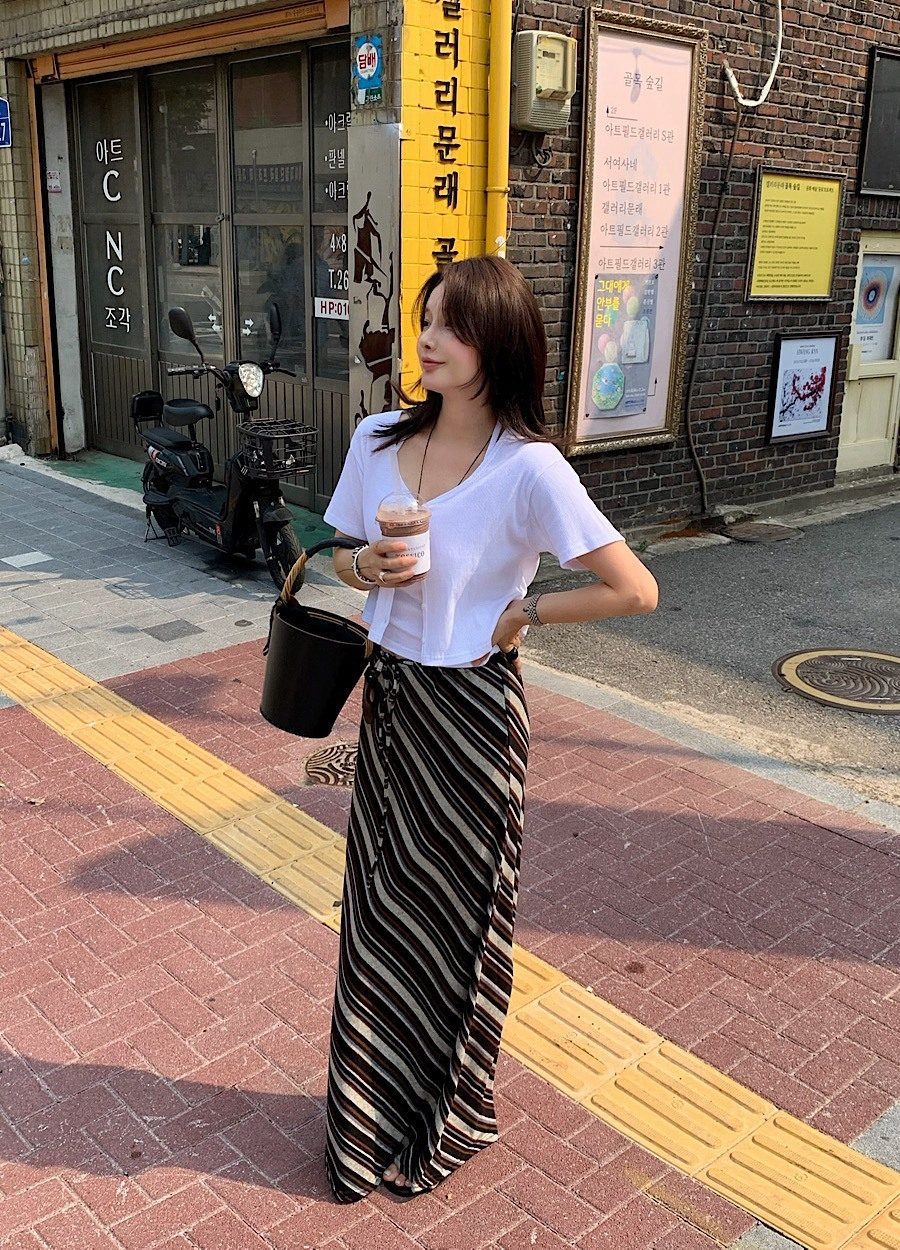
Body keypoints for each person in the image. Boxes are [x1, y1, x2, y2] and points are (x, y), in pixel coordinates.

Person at [322, 255, 658, 1203]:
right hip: (392, 703)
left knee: (462, 921)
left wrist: (527, 613)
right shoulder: (378, 438)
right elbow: (337, 549)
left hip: (475, 716)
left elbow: (635, 589)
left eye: (451, 325)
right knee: (379, 911)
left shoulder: (529, 467)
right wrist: (364, 569)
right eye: (426, 318)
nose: (427, 339)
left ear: (497, 343)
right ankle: (364, 1123)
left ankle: (448, 1115)